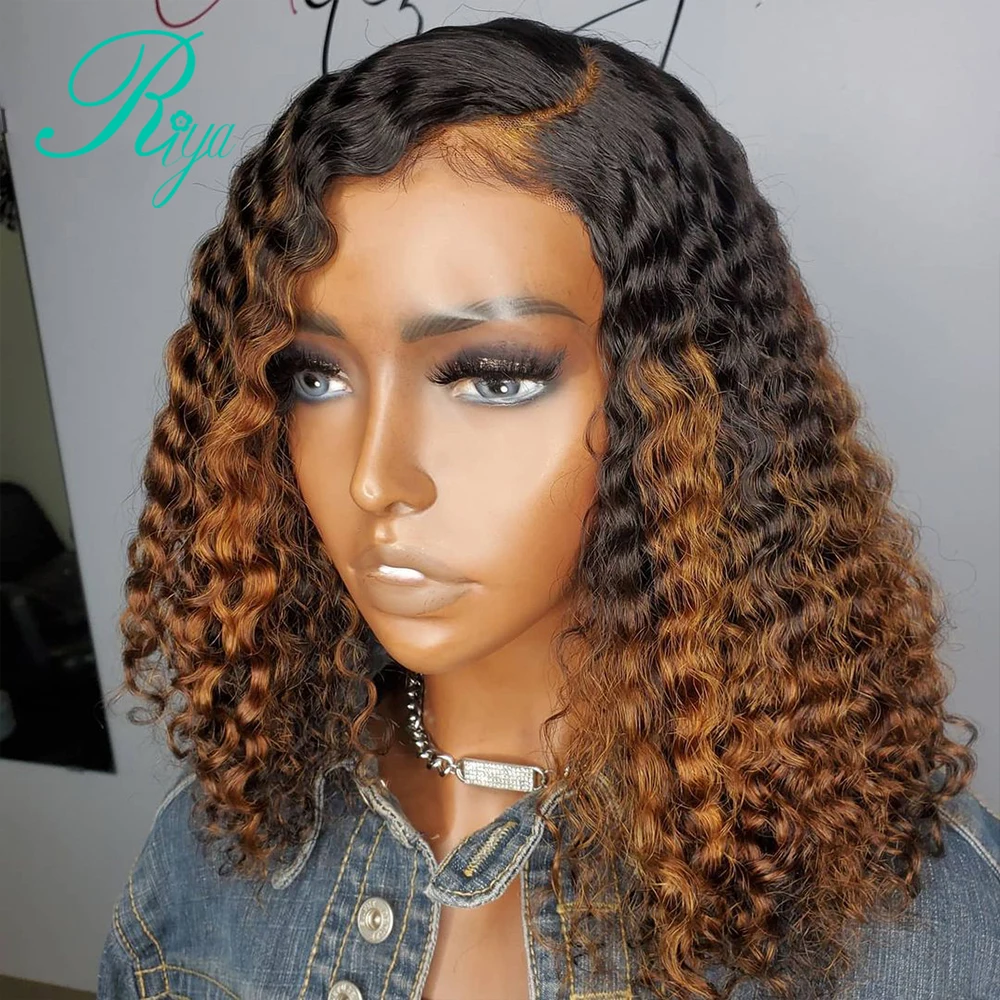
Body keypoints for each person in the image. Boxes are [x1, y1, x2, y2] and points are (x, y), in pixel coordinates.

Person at [97, 16, 999, 1000]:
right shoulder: (212, 857)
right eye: (315, 377)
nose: (375, 479)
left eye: (492, 378)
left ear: (681, 404)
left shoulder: (910, 929)